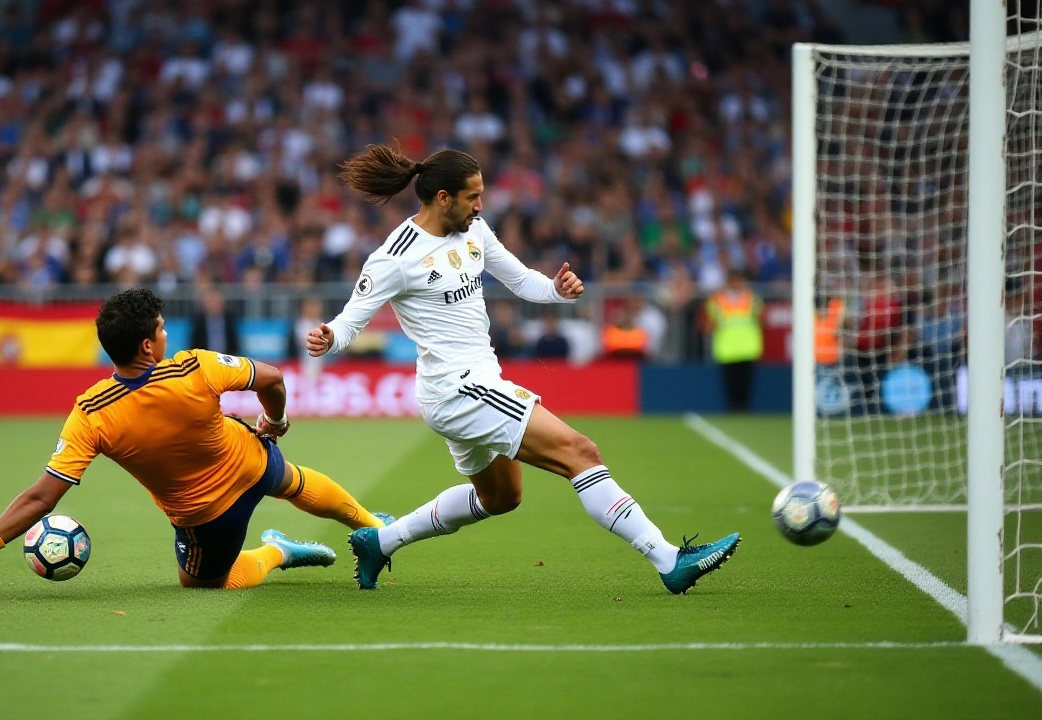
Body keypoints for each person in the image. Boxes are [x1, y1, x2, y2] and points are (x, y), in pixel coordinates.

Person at [307, 144, 739, 594]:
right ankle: (669, 560)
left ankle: (380, 541)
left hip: (472, 384)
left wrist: (555, 289)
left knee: (501, 498)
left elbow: (518, 278)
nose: (480, 204)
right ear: (442, 198)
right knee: (581, 452)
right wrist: (329, 337)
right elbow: (351, 318)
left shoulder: (475, 230)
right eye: (472, 196)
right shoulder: (396, 256)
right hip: (457, 389)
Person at [0, 289, 390, 594]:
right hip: (250, 458)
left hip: (207, 516)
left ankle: (281, 551)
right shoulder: (194, 366)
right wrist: (275, 421)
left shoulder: (91, 413)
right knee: (292, 480)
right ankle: (375, 528)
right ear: (146, 346)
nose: (165, 333)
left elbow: (42, 496)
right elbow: (273, 377)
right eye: (160, 328)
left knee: (203, 583)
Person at [705, 270, 764, 412]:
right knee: (731, 383)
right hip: (728, 349)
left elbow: (761, 318)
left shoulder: (751, 299)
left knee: (745, 383)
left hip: (747, 348)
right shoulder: (718, 300)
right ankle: (733, 409)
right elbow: (709, 323)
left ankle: (744, 409)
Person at [190, 287, 240, 356]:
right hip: (205, 358)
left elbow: (234, 341)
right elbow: (194, 342)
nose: (213, 305)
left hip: (227, 357)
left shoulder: (229, 319)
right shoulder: (198, 321)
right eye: (210, 302)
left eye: (216, 302)